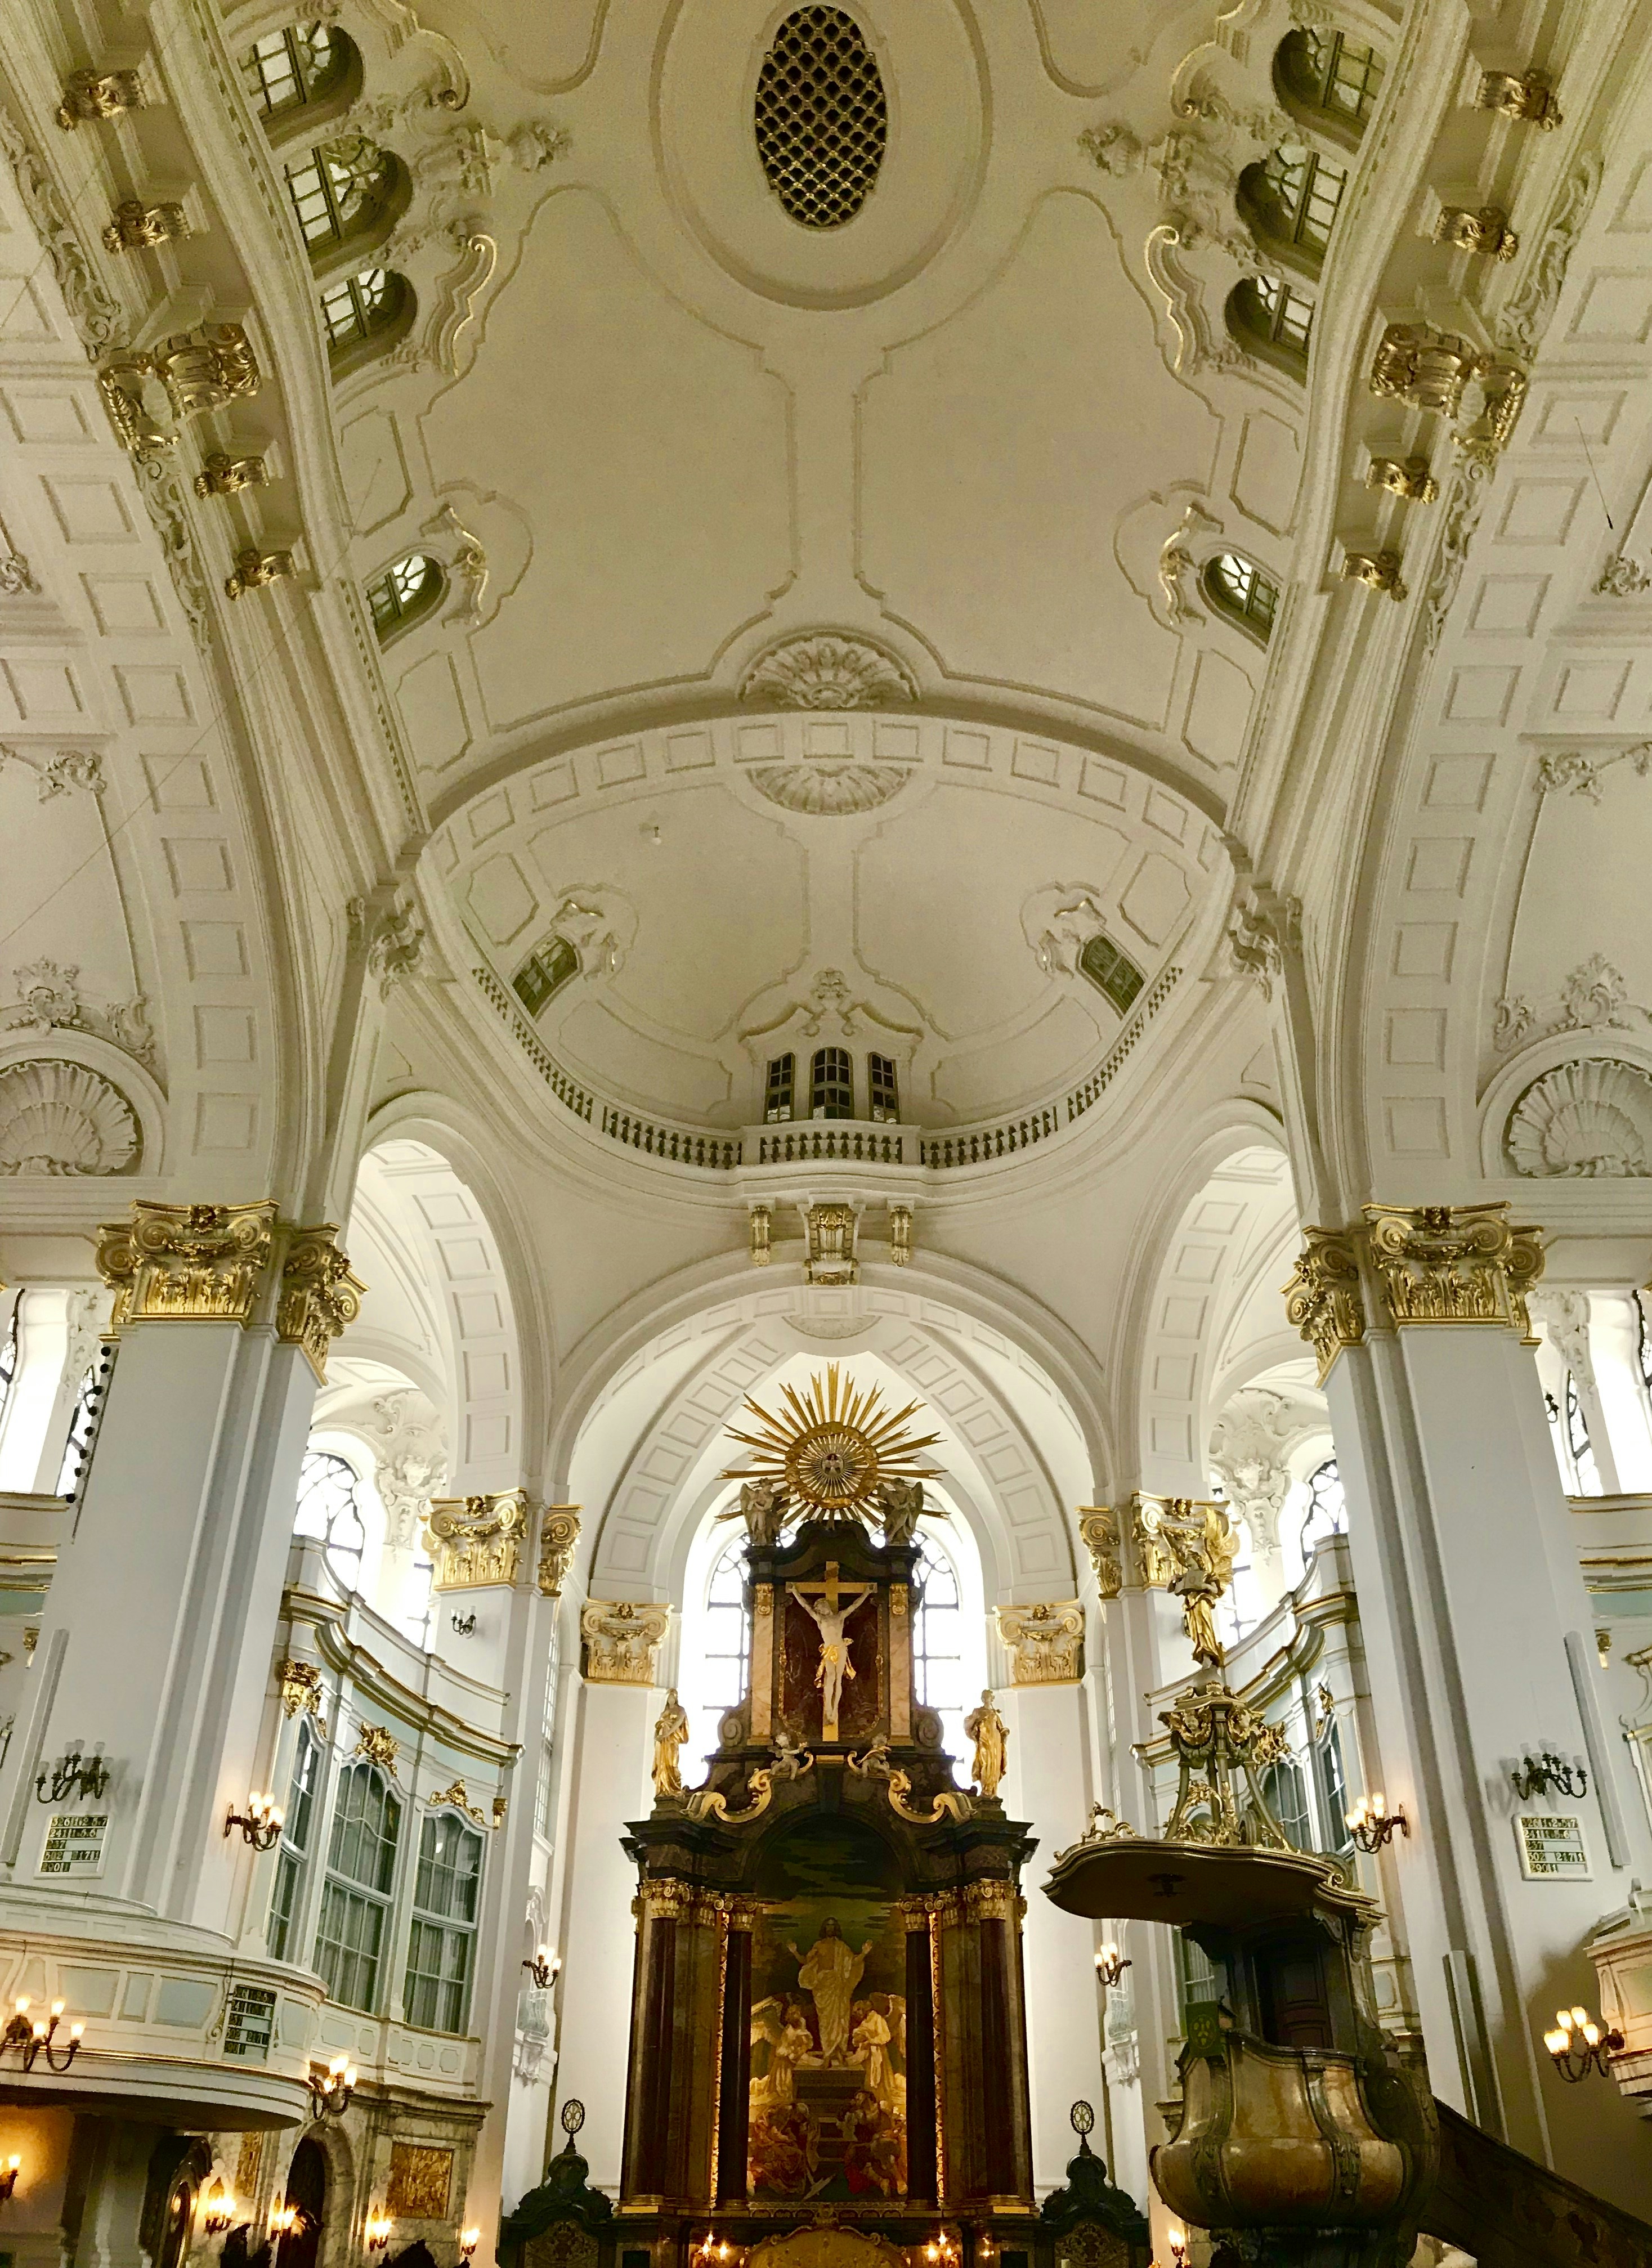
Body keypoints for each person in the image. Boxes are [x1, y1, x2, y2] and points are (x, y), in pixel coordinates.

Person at [790, 1916, 866, 2062]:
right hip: (824, 1987)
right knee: (825, 2022)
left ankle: (840, 2052)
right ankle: (828, 2054)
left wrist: (864, 1953)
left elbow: (853, 1962)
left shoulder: (842, 1947)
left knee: (841, 2019)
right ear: (824, 1928)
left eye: (833, 1925)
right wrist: (794, 1952)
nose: (830, 1928)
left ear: (836, 1928)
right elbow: (806, 1961)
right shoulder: (819, 1946)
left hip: (838, 1986)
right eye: (828, 1925)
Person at [964, 1689, 1008, 1799]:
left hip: (995, 1742)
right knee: (986, 1763)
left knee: (995, 1765)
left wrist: (1005, 1733)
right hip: (984, 1741)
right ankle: (986, 1790)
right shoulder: (978, 1712)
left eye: (988, 1697)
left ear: (991, 1699)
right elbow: (967, 1726)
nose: (986, 1699)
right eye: (984, 1697)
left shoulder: (995, 1714)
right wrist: (974, 1718)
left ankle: (993, 1791)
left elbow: (1001, 1729)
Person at [650, 1688, 690, 1798]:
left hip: (672, 1739)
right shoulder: (664, 1712)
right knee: (661, 1763)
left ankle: (673, 1789)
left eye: (672, 1697)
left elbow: (678, 1723)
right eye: (669, 1698)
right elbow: (658, 1726)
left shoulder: (680, 1710)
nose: (670, 1700)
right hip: (662, 1741)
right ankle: (663, 1789)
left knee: (672, 1763)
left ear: (676, 1699)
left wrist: (667, 1734)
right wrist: (656, 1738)